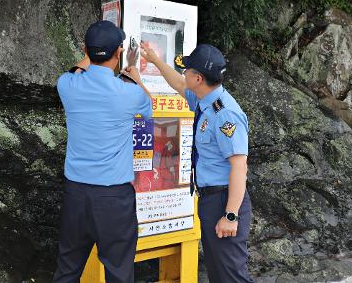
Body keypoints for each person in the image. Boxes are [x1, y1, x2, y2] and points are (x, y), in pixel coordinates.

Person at [141, 43, 254, 283]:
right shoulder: (206, 100)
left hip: (225, 201)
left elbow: (239, 166)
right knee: (219, 274)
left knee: (232, 276)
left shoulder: (225, 114)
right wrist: (154, 60)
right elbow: (179, 85)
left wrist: (231, 215)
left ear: (199, 78)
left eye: (188, 70)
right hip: (211, 200)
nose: (184, 74)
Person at [53, 20, 152, 283]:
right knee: (119, 271)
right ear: (118, 52)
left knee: (67, 268)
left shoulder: (66, 85)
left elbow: (78, 70)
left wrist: (88, 56)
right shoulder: (129, 93)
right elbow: (148, 107)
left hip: (76, 194)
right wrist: (136, 78)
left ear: (85, 49)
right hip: (114, 198)